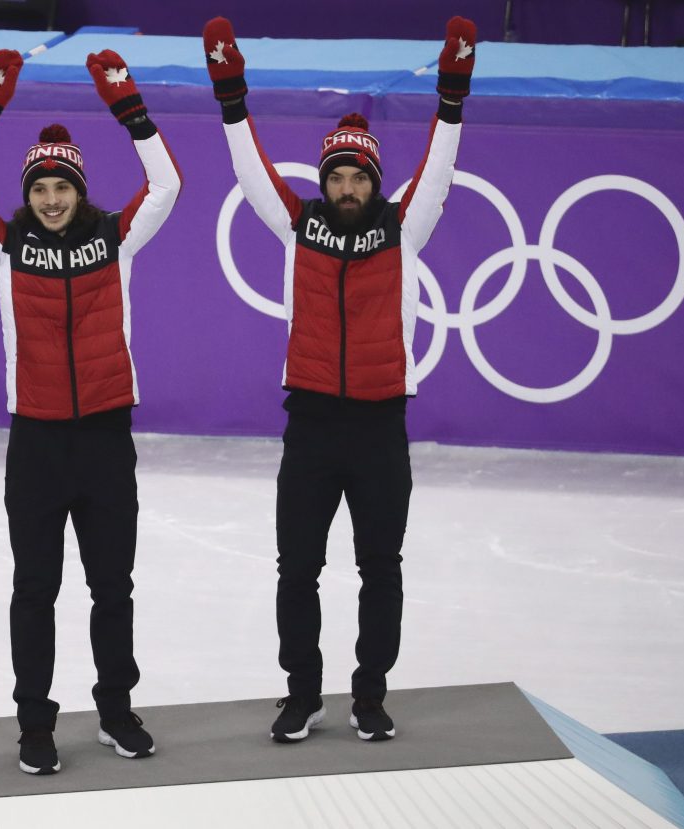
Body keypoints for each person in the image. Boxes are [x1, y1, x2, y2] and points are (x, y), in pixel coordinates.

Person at [202, 16, 477, 742]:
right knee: (298, 568)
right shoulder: (299, 227)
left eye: (358, 176)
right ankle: (302, 692)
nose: (348, 186)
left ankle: (370, 693)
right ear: (322, 182)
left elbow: (440, 166)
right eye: (337, 175)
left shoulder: (401, 227)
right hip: (313, 425)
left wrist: (453, 93)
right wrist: (230, 93)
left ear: (375, 183)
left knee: (380, 568)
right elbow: (249, 170)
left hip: (382, 426)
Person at [0, 48, 181, 775]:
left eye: (61, 187)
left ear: (80, 191)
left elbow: (167, 181)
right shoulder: (7, 247)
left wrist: (129, 108)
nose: (50, 199)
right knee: (34, 590)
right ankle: (35, 724)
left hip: (106, 438)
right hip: (38, 444)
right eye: (40, 187)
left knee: (113, 587)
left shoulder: (116, 240)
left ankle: (115, 709)